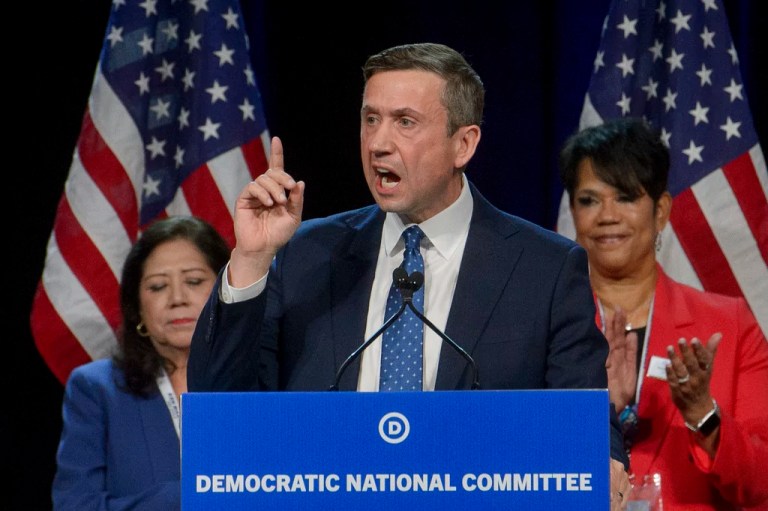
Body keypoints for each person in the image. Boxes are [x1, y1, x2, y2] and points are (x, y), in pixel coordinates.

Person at [188, 42, 630, 507]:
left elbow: (582, 413)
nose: (378, 143)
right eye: (370, 119)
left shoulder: (545, 268)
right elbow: (219, 406)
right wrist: (252, 259)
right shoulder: (305, 253)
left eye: (404, 122)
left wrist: (602, 458)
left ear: (464, 143)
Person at [559, 117, 768, 510]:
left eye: (624, 197)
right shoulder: (546, 325)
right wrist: (600, 411)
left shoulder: (729, 325)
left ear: (660, 211)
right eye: (589, 200)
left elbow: (762, 486)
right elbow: (517, 468)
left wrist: (703, 414)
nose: (607, 216)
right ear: (572, 212)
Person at [52, 216, 230, 510]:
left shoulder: (260, 375)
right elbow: (74, 503)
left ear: (225, 291)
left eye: (194, 281)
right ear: (137, 309)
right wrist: (184, 497)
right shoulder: (96, 389)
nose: (177, 298)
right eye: (158, 286)